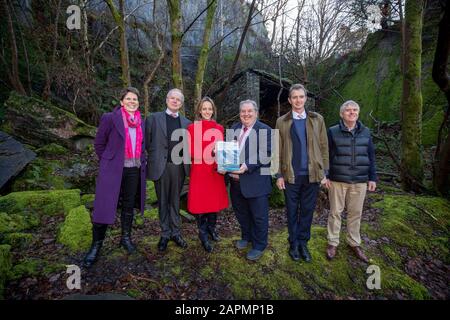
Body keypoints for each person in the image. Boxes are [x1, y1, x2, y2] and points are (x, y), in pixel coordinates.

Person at [83, 87, 146, 268]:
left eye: (135, 99)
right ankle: (96, 246)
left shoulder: (142, 122)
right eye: (128, 99)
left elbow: (142, 144)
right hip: (113, 170)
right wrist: (108, 161)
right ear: (121, 101)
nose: (132, 102)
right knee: (104, 205)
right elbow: (99, 143)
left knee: (128, 205)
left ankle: (125, 238)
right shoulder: (110, 118)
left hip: (134, 169)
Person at [275, 84, 329, 263]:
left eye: (301, 97)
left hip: (312, 174)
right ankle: (293, 243)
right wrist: (278, 175)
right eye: (294, 97)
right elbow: (277, 149)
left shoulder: (317, 119)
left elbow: (323, 146)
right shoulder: (281, 121)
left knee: (307, 211)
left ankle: (303, 243)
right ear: (289, 100)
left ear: (305, 98)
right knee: (291, 211)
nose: (298, 100)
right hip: (291, 175)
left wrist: (325, 172)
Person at [323, 100, 377, 263]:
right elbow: (326, 155)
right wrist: (324, 175)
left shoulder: (366, 132)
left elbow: (371, 156)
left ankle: (354, 243)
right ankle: (333, 242)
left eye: (355, 110)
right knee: (335, 212)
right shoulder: (332, 131)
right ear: (342, 114)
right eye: (348, 110)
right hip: (337, 179)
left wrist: (372, 177)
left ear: (358, 113)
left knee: (355, 213)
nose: (352, 112)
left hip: (359, 180)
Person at [145, 88, 191, 252]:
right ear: (166, 100)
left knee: (175, 201)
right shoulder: (153, 119)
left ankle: (176, 233)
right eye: (172, 98)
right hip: (161, 167)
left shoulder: (187, 123)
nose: (175, 101)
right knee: (163, 201)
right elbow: (147, 143)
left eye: (178, 99)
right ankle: (165, 234)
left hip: (178, 167)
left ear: (181, 103)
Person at [228, 100, 272, 261]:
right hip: (235, 181)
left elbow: (265, 152)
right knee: (242, 212)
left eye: (249, 111)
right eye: (242, 112)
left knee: (259, 216)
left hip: (256, 182)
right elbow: (228, 151)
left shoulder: (265, 130)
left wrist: (246, 165)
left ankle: (259, 245)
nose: (246, 114)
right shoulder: (234, 128)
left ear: (256, 112)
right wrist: (221, 161)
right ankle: (246, 237)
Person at [186, 97, 229, 253]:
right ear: (199, 110)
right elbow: (189, 151)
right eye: (204, 109)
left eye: (209, 109)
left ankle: (211, 229)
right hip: (200, 171)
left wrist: (223, 162)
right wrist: (209, 152)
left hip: (215, 171)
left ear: (213, 110)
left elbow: (223, 150)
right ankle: (202, 234)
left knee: (213, 203)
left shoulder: (219, 128)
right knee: (201, 203)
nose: (207, 111)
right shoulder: (192, 128)